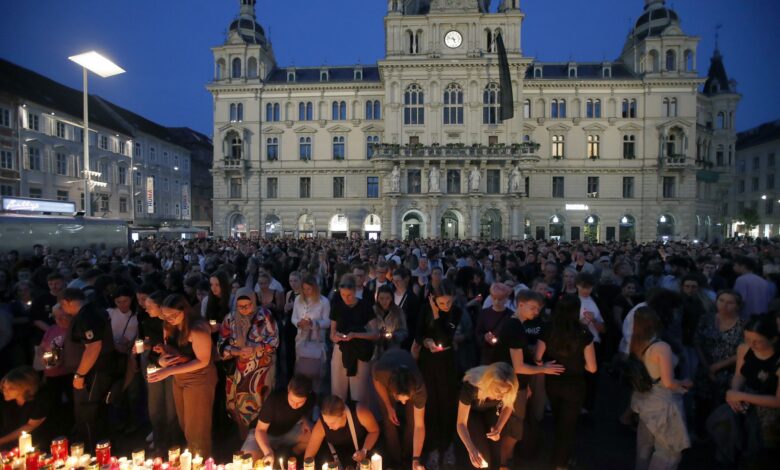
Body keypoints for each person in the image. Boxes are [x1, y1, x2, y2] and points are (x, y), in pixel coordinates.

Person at [492, 290, 565, 459]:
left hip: (513, 383)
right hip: (512, 385)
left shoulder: (515, 325)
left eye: (538, 309)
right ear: (520, 304)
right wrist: (543, 369)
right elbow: (518, 367)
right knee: (513, 427)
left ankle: (504, 460)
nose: (536, 312)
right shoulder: (515, 328)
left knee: (512, 425)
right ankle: (503, 462)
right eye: (532, 308)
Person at [149, 294, 218, 457]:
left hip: (199, 378)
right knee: (185, 423)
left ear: (184, 311)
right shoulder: (168, 325)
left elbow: (203, 360)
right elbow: (171, 350)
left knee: (196, 427)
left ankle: (201, 461)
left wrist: (168, 371)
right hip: (179, 376)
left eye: (174, 315)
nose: (170, 319)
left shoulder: (197, 329)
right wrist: (162, 358)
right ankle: (194, 458)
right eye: (166, 315)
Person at [535, 295, 597, 470]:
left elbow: (538, 357)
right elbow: (592, 368)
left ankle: (558, 455)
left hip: (553, 381)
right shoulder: (583, 334)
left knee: (558, 418)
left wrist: (544, 366)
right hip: (575, 384)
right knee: (568, 425)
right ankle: (560, 463)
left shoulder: (548, 328)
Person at [629, 307, 692, 470]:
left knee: (644, 446)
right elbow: (668, 382)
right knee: (668, 451)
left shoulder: (636, 341)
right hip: (663, 403)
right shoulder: (661, 347)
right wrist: (684, 383)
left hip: (644, 400)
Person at [715, 314, 780, 467]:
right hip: (743, 405)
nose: (751, 344)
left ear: (773, 339)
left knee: (759, 454)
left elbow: (778, 401)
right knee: (733, 440)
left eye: (757, 341)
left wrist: (739, 395)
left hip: (769, 415)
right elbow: (739, 375)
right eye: (747, 338)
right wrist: (735, 393)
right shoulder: (744, 349)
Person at [412, 280, 462, 469]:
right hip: (428, 362)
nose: (446, 306)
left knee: (447, 404)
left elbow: (445, 337)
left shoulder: (456, 312)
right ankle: (432, 447)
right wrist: (425, 341)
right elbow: (417, 334)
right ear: (433, 299)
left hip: (447, 363)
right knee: (431, 404)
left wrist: (436, 314)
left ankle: (448, 445)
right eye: (441, 303)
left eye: (449, 302)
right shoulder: (423, 310)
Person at [217, 287, 279, 439]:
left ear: (254, 302)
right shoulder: (230, 319)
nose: (244, 309)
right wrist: (236, 351)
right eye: (240, 306)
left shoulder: (264, 316)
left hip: (262, 371)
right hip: (238, 372)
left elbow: (275, 339)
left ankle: (262, 437)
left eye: (247, 305)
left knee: (262, 403)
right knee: (239, 406)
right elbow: (220, 345)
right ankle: (245, 438)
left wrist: (259, 347)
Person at [59, 287, 114, 449]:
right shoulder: (92, 312)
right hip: (98, 369)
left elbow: (93, 347)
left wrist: (80, 374)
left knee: (88, 412)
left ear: (66, 302)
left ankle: (93, 449)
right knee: (95, 411)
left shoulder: (86, 317)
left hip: (93, 372)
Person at [694, 290, 745, 434]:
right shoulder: (706, 319)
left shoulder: (743, 325)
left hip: (728, 373)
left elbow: (742, 352)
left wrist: (717, 367)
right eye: (721, 300)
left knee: (723, 409)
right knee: (702, 405)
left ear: (738, 306)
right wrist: (707, 367)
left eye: (730, 302)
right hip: (705, 369)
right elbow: (697, 342)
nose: (724, 305)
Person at [456, 363, 520, 470]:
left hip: (491, 410)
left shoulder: (508, 386)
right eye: (497, 391)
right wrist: (471, 449)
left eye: (504, 393)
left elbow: (508, 405)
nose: (500, 396)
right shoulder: (472, 386)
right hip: (471, 411)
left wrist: (498, 428)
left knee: (496, 454)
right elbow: (461, 423)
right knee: (482, 455)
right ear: (489, 382)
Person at [372, 349, 426, 469]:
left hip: (407, 369)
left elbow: (419, 426)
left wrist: (416, 459)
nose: (403, 402)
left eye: (406, 399)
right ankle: (395, 460)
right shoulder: (382, 372)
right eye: (400, 399)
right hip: (387, 366)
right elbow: (376, 381)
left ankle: (407, 457)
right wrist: (388, 406)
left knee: (413, 422)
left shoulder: (419, 388)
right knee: (389, 421)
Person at [141, 291, 181, 457]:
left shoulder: (174, 324)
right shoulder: (149, 322)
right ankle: (160, 443)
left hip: (172, 368)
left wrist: (165, 353)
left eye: (150, 306)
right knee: (155, 405)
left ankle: (174, 445)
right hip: (155, 365)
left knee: (172, 408)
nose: (146, 309)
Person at [242, 375, 315, 464]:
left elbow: (304, 411)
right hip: (265, 434)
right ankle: (267, 454)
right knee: (247, 460)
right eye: (292, 400)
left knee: (313, 437)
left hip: (287, 431)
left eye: (300, 402)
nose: (295, 405)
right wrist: (268, 452)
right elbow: (260, 430)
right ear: (288, 390)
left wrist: (305, 421)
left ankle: (290, 456)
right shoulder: (274, 400)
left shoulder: (311, 398)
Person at [330, 274, 379, 403]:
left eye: (349, 295)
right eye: (343, 295)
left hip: (360, 350)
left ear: (355, 291)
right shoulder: (337, 307)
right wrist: (337, 337)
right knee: (338, 388)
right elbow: (332, 334)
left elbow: (375, 334)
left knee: (359, 390)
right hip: (341, 349)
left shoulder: (365, 307)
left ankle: (359, 412)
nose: (346, 298)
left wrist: (355, 335)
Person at [303, 395, 380, 469]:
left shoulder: (360, 412)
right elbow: (309, 454)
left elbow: (374, 431)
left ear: (344, 414)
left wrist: (364, 451)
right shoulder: (321, 425)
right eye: (326, 422)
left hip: (362, 448)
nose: (329, 426)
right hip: (335, 455)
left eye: (332, 423)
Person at [291, 275, 331, 394]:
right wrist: (299, 323)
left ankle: (316, 395)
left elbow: (328, 321)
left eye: (309, 289)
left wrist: (314, 323)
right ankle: (302, 392)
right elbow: (294, 317)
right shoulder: (298, 300)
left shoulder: (324, 302)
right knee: (302, 367)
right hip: (301, 339)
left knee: (316, 369)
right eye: (304, 289)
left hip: (317, 340)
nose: (306, 292)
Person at [0, 366, 56, 447]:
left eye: (11, 388)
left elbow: (29, 426)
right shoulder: (7, 402)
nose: (5, 391)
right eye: (4, 387)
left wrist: (1, 441)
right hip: (11, 445)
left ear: (26, 388)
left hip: (37, 443)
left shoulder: (40, 401)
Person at [374, 285, 408, 356]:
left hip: (393, 351)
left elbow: (404, 331)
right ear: (377, 299)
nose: (384, 301)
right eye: (381, 298)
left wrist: (394, 335)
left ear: (392, 298)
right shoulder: (372, 311)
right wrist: (378, 334)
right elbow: (367, 329)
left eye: (387, 298)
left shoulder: (398, 312)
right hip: (375, 351)